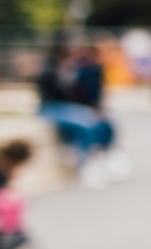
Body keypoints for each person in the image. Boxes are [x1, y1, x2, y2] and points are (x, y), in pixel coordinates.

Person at [36, 41, 118, 187]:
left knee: (102, 122)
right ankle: (85, 164)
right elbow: (60, 94)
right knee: (85, 123)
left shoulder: (72, 69)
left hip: (66, 107)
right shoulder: (51, 71)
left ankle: (102, 156)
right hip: (52, 107)